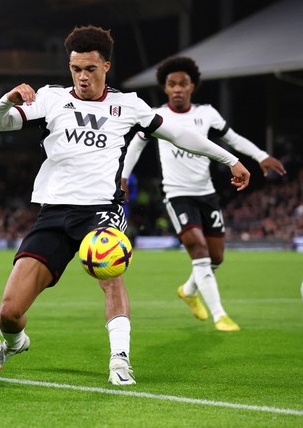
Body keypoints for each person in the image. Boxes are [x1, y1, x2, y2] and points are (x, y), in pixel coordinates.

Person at [0, 25, 251, 386]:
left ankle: (120, 359)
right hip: (53, 213)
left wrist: (229, 159)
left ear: (105, 66)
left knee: (111, 277)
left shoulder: (128, 105)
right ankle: (15, 344)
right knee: (8, 313)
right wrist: (7, 100)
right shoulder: (50, 98)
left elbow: (181, 133)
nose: (81, 77)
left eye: (90, 69)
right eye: (75, 69)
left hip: (101, 211)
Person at [121, 56, 286, 332]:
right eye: (171, 84)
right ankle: (220, 315)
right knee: (199, 251)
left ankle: (188, 290)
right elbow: (136, 145)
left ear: (192, 86)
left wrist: (261, 156)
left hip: (206, 193)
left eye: (182, 84)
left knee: (216, 257)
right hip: (177, 195)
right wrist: (124, 177)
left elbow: (232, 138)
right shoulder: (156, 117)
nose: (177, 89)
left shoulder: (207, 113)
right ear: (165, 88)